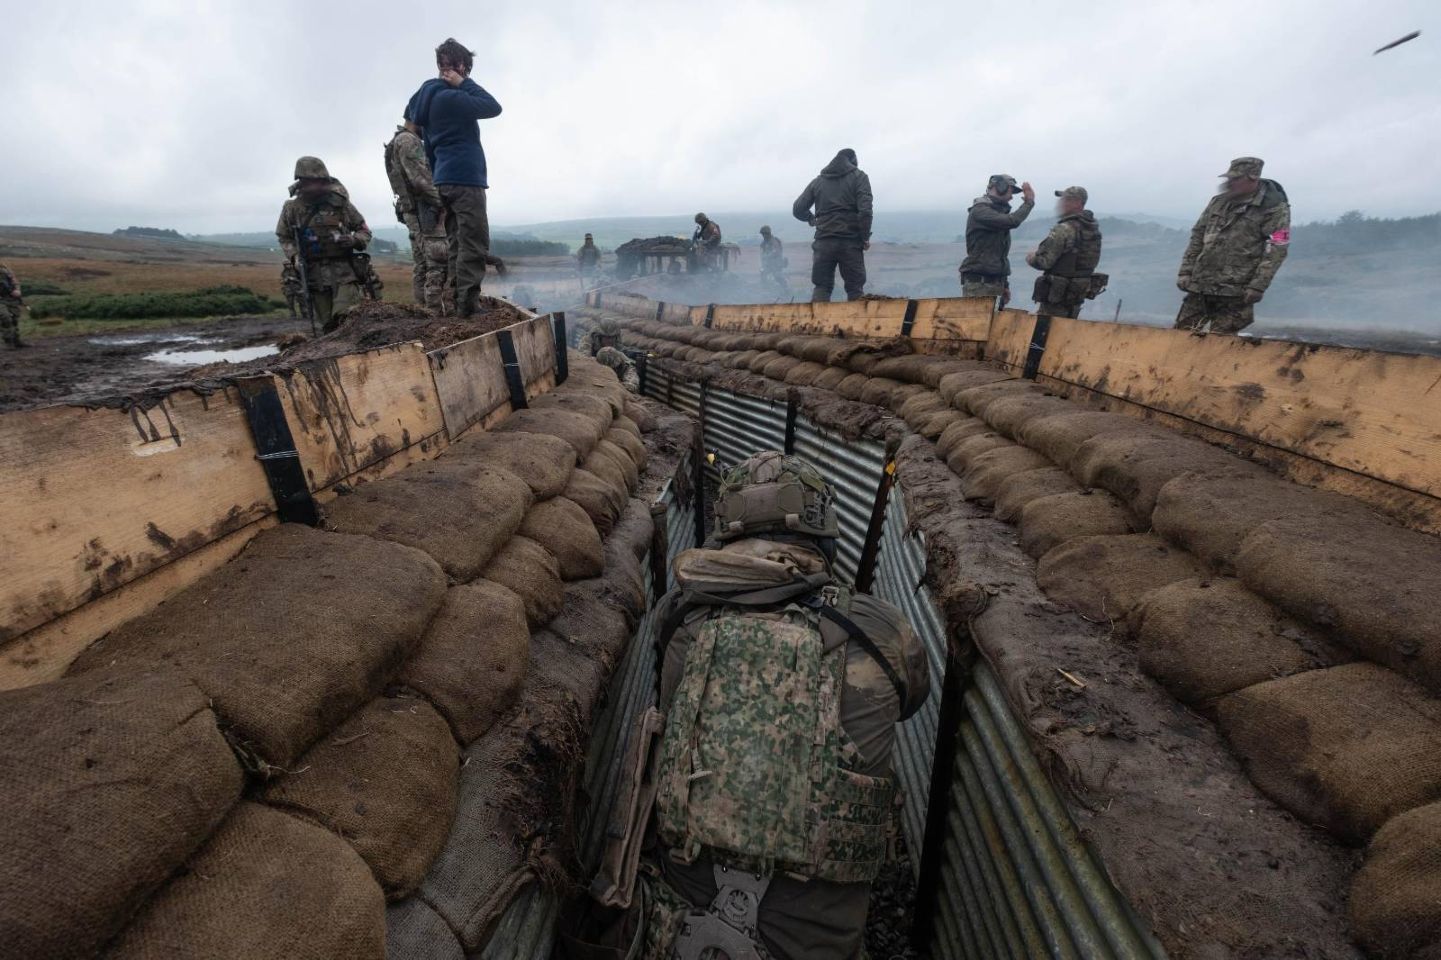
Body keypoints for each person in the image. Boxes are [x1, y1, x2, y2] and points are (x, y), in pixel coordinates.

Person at [641, 452, 929, 960]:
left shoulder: (677, 618)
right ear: (825, 531)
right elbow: (911, 703)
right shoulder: (885, 630)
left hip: (680, 932)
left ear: (725, 528)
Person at [405, 38, 503, 319]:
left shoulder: (426, 99)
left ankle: (457, 299)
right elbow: (493, 107)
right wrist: (462, 83)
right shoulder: (451, 96)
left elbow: (429, 147)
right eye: (466, 69)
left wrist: (438, 180)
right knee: (473, 242)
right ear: (460, 66)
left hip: (445, 179)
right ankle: (469, 306)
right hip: (465, 178)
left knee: (457, 242)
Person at [1175, 157, 1291, 335]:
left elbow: (1277, 247)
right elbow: (1198, 235)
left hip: (1236, 291)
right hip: (1201, 285)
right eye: (1229, 178)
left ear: (1253, 178)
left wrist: (1258, 285)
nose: (1230, 183)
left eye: (1236, 179)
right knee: (1181, 337)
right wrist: (1185, 271)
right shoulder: (1218, 202)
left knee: (1221, 343)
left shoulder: (1273, 208)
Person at [275, 156, 373, 332]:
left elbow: (364, 230)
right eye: (312, 181)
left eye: (320, 181)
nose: (317, 186)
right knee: (328, 326)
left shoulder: (340, 204)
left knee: (346, 317)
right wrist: (295, 256)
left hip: (344, 273)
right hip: (314, 276)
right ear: (302, 181)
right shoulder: (292, 208)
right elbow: (284, 236)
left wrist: (354, 240)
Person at [384, 120, 449, 313]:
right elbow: (421, 181)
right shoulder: (407, 141)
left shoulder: (397, 141)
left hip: (416, 212)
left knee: (423, 263)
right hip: (425, 211)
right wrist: (444, 204)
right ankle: (435, 312)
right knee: (437, 262)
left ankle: (423, 311)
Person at [792, 148, 873, 301]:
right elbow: (865, 212)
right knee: (855, 289)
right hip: (850, 242)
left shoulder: (818, 182)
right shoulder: (859, 177)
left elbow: (798, 209)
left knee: (822, 287)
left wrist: (811, 219)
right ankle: (856, 323)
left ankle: (816, 324)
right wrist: (864, 238)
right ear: (853, 161)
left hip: (823, 242)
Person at [1025, 186, 1105, 318]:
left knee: (1044, 335)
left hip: (1056, 299)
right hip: (1076, 297)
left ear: (1077, 203)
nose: (1062, 203)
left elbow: (1044, 262)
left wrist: (1031, 257)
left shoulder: (1064, 229)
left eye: (1066, 200)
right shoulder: (1092, 230)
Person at [960, 174, 1035, 307]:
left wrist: (1004, 284)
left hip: (993, 283)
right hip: (980, 285)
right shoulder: (981, 211)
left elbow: (998, 254)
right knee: (977, 325)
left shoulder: (996, 214)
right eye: (1010, 191)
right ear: (1000, 187)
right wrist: (1028, 203)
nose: (1012, 197)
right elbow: (1012, 221)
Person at [0, 262, 25, 348]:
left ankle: (16, 341)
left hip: (10, 299)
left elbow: (14, 281)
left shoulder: (5, 269)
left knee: (14, 319)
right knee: (5, 317)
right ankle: (8, 341)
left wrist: (17, 290)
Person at [759, 225, 786, 292]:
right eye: (762, 234)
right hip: (768, 264)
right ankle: (766, 290)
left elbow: (777, 251)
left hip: (776, 263)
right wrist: (763, 261)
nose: (763, 236)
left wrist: (768, 256)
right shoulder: (764, 243)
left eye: (764, 234)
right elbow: (762, 253)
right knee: (763, 274)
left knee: (778, 276)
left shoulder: (774, 241)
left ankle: (786, 289)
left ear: (768, 233)